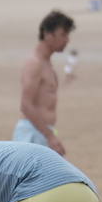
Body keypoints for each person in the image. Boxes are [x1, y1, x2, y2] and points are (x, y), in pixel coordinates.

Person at [14, 10, 73, 155]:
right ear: (47, 34)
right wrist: (50, 136)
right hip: (31, 133)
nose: (67, 40)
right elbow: (26, 105)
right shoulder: (35, 64)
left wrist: (50, 134)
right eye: (63, 35)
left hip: (42, 131)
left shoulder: (47, 64)